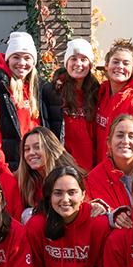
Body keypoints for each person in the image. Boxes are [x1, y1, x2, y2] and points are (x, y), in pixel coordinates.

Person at [0, 32, 44, 170]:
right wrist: (1, 170)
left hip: (34, 166)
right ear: (8, 60)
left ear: (33, 62)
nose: (22, 63)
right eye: (16, 57)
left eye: (27, 58)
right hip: (10, 169)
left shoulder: (37, 89)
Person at [43, 38, 101, 170]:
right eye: (73, 59)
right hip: (62, 165)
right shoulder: (52, 91)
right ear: (67, 62)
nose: (78, 63)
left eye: (83, 59)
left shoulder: (98, 92)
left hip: (91, 167)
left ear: (90, 65)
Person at [94, 39, 133, 162]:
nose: (120, 67)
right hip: (99, 170)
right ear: (106, 65)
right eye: (115, 62)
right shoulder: (100, 93)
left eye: (126, 63)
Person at [16, 126, 79, 217]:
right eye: (27, 149)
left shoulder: (71, 177)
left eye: (37, 147)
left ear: (51, 148)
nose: (31, 153)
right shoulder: (24, 179)